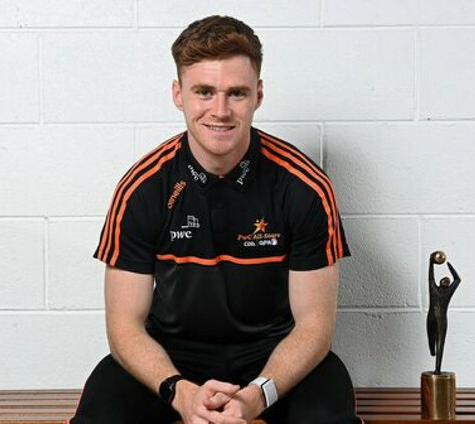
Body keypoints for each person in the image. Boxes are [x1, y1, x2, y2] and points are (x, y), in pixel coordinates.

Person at [70, 15, 360, 424]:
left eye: (236, 93)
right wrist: (179, 393)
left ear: (258, 95)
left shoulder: (304, 187)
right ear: (178, 94)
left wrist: (256, 397)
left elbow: (314, 328)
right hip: (172, 356)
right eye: (204, 92)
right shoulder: (142, 188)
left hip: (275, 357)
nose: (220, 111)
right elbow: (124, 327)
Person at [426, 253, 461, 374]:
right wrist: (431, 262)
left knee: (440, 343)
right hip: (432, 316)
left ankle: (437, 368)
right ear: (440, 282)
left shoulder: (448, 292)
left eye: (447, 280)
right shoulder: (433, 288)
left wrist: (449, 266)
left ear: (448, 285)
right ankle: (432, 352)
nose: (446, 281)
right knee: (431, 339)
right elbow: (431, 276)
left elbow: (457, 280)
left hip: (441, 319)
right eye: (444, 279)